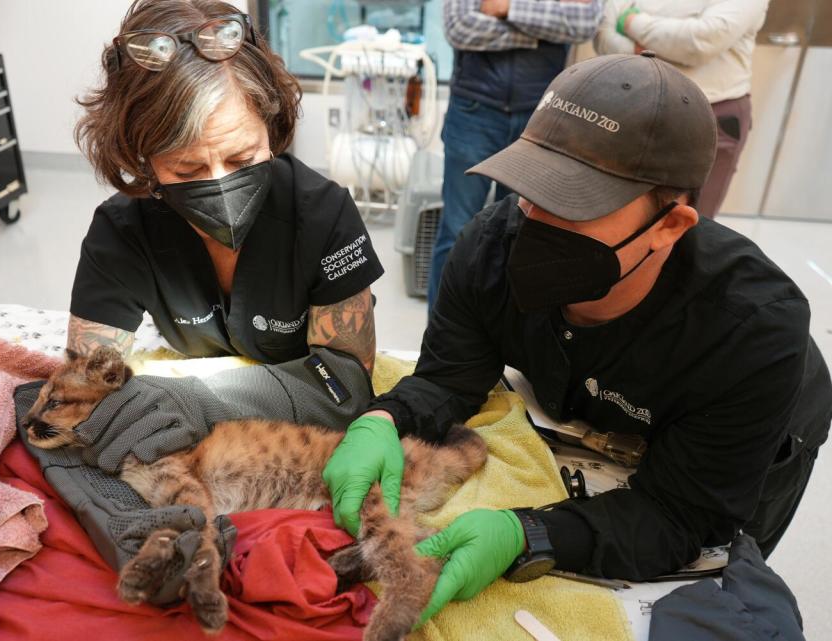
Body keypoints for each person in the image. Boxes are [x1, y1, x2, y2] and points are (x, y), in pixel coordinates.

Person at [323, 52, 832, 623]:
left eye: (575, 205)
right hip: (604, 406)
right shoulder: (490, 250)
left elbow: (681, 516)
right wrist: (384, 419)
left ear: (669, 225)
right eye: (530, 187)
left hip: (757, 432)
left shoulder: (751, 333)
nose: (535, 221)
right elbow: (450, 375)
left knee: (725, 574)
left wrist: (529, 533)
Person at [69, 0, 383, 372]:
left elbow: (345, 383)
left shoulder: (324, 217)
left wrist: (197, 401)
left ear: (271, 127)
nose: (219, 183)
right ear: (143, 159)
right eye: (187, 170)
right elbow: (81, 391)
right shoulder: (122, 233)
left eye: (242, 159)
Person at [427, 0, 604, 309]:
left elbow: (583, 22)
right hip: (474, 111)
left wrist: (507, 9)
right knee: (456, 230)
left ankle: (501, 332)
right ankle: (441, 334)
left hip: (539, 116)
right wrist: (543, 33)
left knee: (521, 234)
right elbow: (460, 28)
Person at [594, 0, 770, 218]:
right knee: (616, 215)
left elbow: (701, 41)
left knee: (687, 223)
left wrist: (629, 20)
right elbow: (603, 33)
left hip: (710, 112)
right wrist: (655, 45)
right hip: (633, 105)